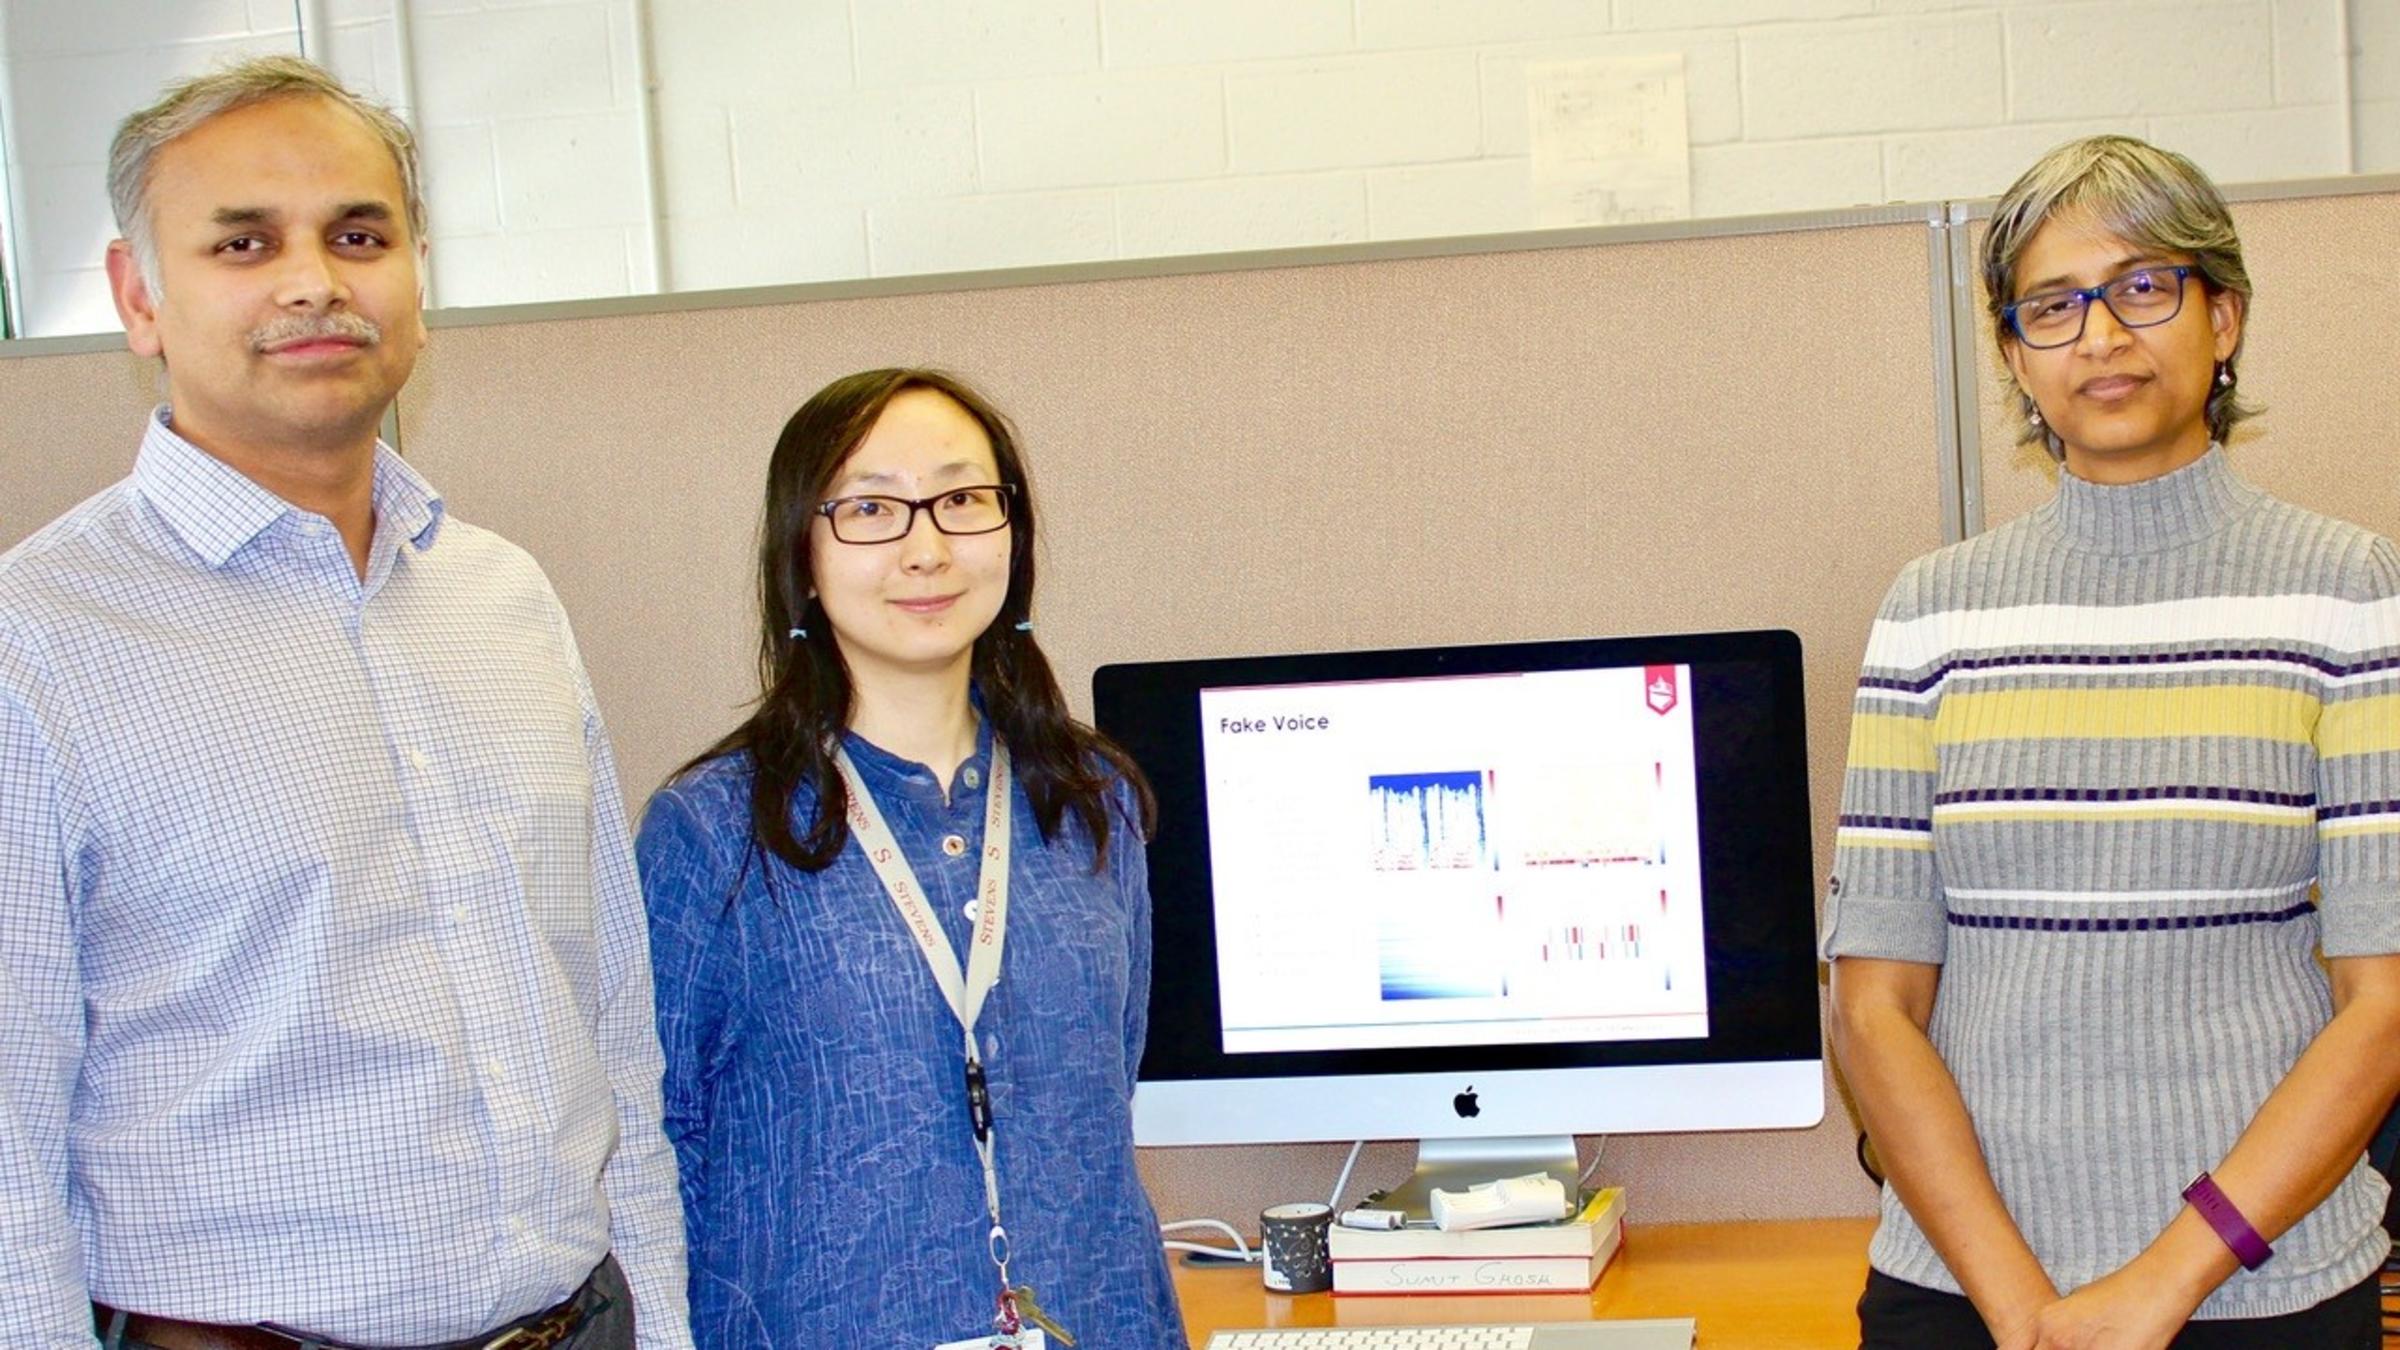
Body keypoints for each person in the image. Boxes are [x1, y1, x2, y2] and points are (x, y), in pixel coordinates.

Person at [0, 57, 691, 1349]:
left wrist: (662, 1323)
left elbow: (612, 1026)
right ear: (138, 295)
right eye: (244, 241)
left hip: (576, 1323)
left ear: (418, 283)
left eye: (358, 234)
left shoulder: (505, 599)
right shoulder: (40, 641)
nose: (314, 278)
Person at [1823, 134, 2400, 1349]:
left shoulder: (2346, 591)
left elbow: (2381, 1002)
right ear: (2013, 355)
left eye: (2143, 286)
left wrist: (2163, 1283)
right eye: (2053, 305)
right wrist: (2021, 1305)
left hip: (2262, 1292)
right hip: (1965, 1294)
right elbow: (1874, 1008)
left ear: (2223, 316)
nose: (2100, 335)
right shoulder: (1932, 612)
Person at [639, 367, 1187, 1347]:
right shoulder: (711, 831)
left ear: (1013, 540)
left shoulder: (1090, 802)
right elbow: (660, 1148)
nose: (926, 547)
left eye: (963, 500)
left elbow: (1109, 1092)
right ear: (802, 553)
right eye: (871, 508)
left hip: (1098, 1319)